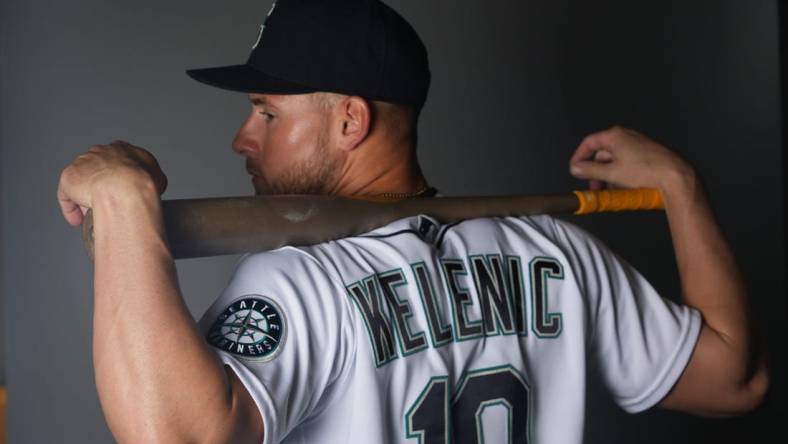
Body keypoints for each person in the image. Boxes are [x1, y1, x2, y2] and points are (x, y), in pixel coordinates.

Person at [56, 0, 768, 442]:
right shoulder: (556, 252)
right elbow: (734, 381)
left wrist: (122, 200)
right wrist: (681, 185)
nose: (243, 139)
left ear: (349, 120)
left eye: (267, 113)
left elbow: (170, 437)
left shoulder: (303, 279)